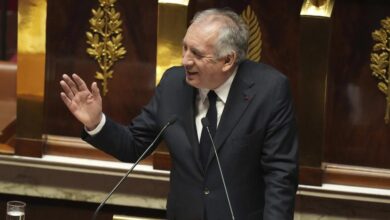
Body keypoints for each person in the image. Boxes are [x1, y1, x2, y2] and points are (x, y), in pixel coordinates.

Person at [60, 8, 298, 220]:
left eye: (196, 53)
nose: (185, 60)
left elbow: (281, 176)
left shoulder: (269, 91)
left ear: (228, 60)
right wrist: (95, 123)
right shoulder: (173, 84)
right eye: (184, 47)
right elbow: (135, 145)